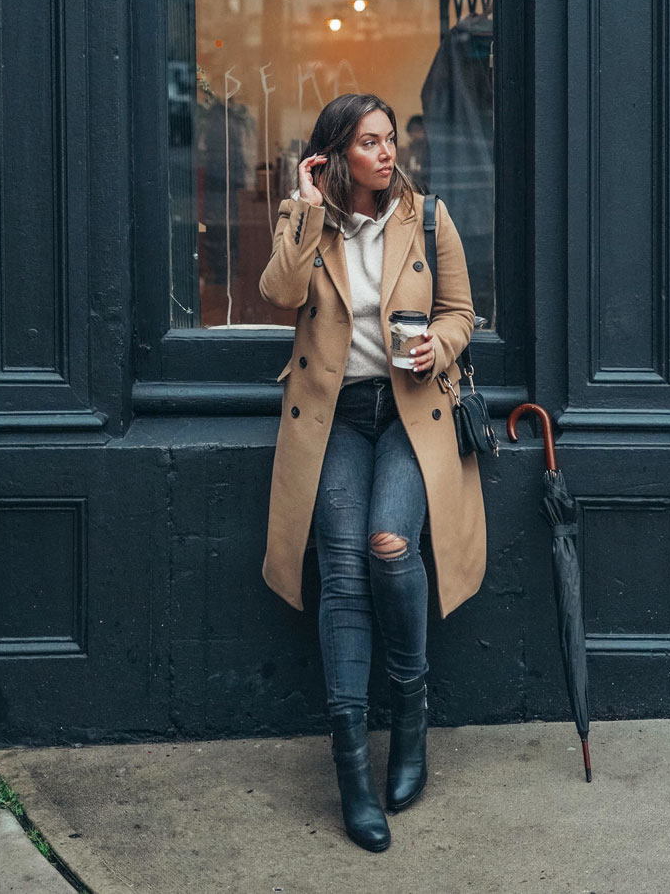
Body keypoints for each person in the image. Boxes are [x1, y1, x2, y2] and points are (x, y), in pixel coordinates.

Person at [259, 93, 485, 853]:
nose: (387, 154)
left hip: (412, 412)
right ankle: (353, 771)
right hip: (337, 420)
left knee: (390, 544)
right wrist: (300, 203)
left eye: (389, 140)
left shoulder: (426, 218)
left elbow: (461, 311)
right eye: (368, 143)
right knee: (344, 579)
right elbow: (279, 294)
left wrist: (440, 348)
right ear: (336, 155)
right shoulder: (312, 225)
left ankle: (412, 720)